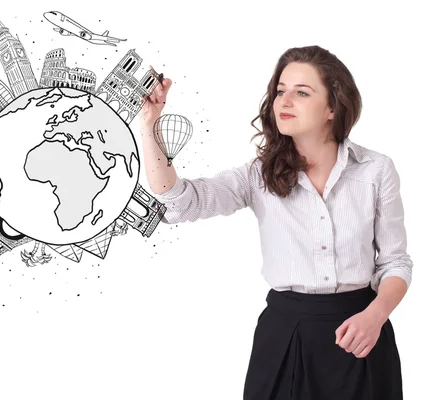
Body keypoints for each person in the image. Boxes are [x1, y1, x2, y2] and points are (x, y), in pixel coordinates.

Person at [139, 45, 412, 399]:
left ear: (333, 106)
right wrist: (149, 126)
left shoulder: (376, 170)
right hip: (286, 334)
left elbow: (395, 262)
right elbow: (179, 202)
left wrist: (374, 316)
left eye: (302, 92)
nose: (284, 101)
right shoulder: (258, 175)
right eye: (280, 91)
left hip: (361, 332)